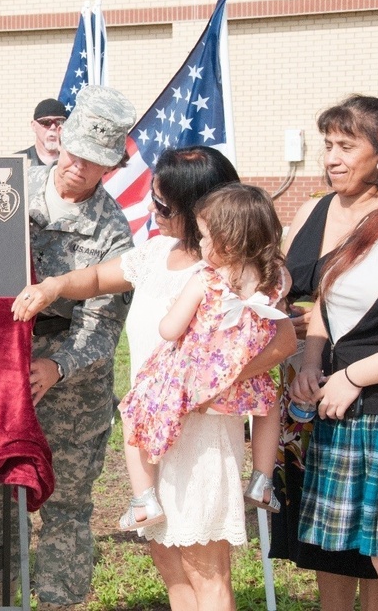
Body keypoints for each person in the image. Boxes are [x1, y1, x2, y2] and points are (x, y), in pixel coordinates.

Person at [13, 146, 296, 610]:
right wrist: (55, 286)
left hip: (201, 436)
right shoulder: (155, 253)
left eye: (163, 205)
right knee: (167, 557)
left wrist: (217, 382)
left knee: (206, 567)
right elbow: (100, 278)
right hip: (155, 426)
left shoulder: (238, 273)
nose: (151, 209)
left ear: (204, 209)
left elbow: (282, 344)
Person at [0, 85, 136, 610]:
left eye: (94, 162)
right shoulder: (9, 190)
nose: (78, 167)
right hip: (2, 368)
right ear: (59, 138)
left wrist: (55, 366)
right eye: (73, 152)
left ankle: (59, 602)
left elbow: (104, 323)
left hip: (71, 389)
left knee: (66, 505)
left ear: (109, 167)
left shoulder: (113, 232)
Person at [271, 95, 378, 611]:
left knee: (377, 545)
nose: (332, 158)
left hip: (373, 391)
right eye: (327, 146)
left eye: (347, 146)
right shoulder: (312, 208)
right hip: (304, 392)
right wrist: (281, 313)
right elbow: (278, 283)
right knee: (324, 539)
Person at [118, 184, 288, 530]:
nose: (203, 244)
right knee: (269, 407)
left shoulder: (205, 280)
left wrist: (170, 312)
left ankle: (143, 499)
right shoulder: (274, 282)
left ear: (228, 241)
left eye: (207, 237)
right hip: (244, 381)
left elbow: (169, 329)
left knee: (132, 411)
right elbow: (276, 326)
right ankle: (262, 480)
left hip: (193, 381)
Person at [16, 98, 66, 168]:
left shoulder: (74, 162)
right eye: (46, 122)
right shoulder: (18, 162)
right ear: (34, 126)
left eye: (59, 122)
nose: (53, 127)